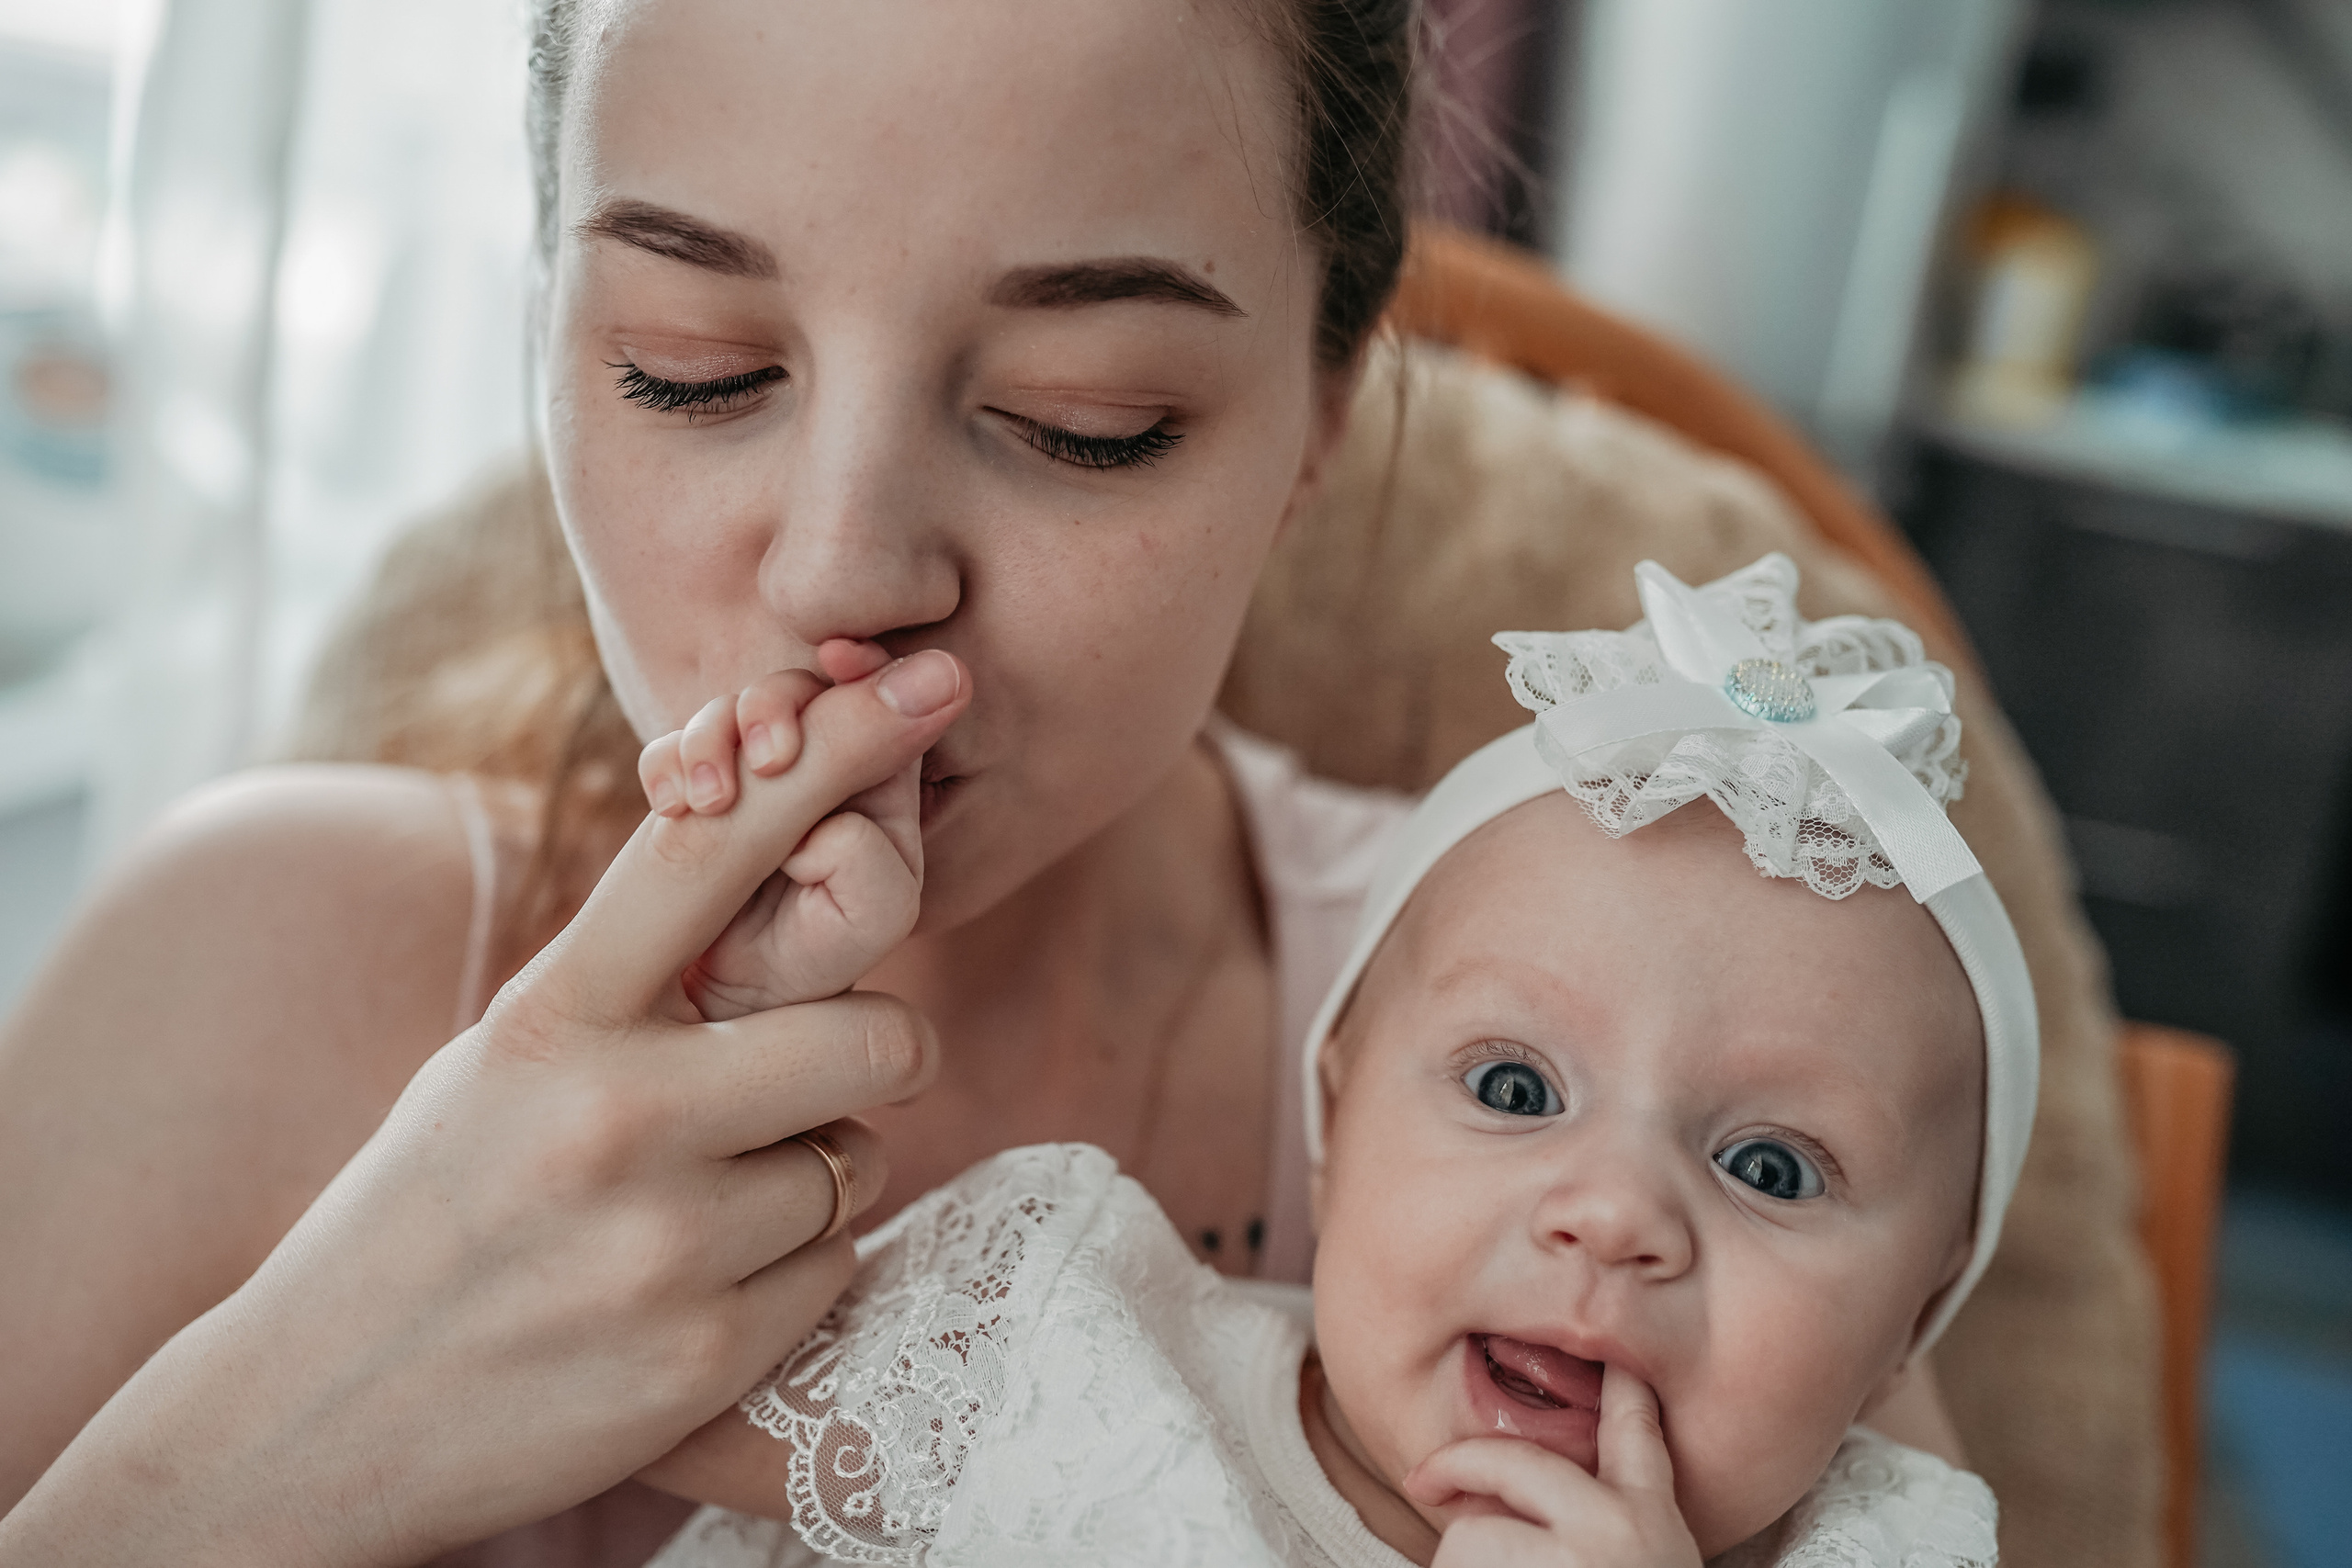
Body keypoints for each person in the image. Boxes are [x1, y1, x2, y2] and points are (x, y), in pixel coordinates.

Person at [0, 3, 1957, 1562]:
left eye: (1077, 418)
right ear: (545, 333)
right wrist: (284, 1428)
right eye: (691, 367)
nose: (846, 569)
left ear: (1315, 425)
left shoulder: (1675, 1063)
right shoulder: (258, 962)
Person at [616, 553, 2022, 1566]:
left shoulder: (1878, 1547)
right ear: (1335, 1119)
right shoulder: (1084, 1358)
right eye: (1515, 1089)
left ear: (1911, 1325)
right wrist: (755, 1005)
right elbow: (646, 1372)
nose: (1615, 1217)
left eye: (1768, 1166)